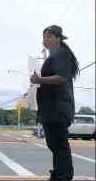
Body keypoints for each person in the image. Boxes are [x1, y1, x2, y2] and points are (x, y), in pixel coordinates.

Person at [30, 25, 80, 181]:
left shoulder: (59, 53)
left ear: (58, 39)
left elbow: (61, 78)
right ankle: (59, 173)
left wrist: (39, 80)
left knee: (59, 144)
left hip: (57, 107)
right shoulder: (55, 54)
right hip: (52, 108)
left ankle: (64, 176)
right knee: (55, 144)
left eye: (49, 36)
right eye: (43, 37)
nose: (45, 40)